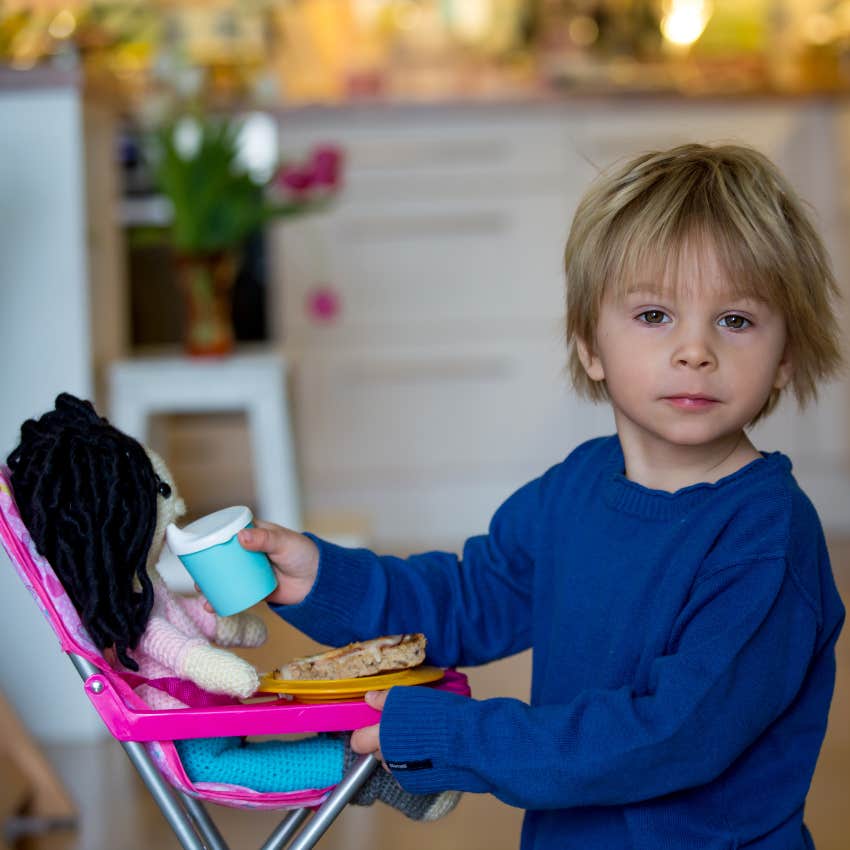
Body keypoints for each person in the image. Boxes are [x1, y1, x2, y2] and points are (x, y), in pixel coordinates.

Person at [238, 143, 846, 849]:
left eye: (735, 320)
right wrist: (328, 578)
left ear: (786, 357)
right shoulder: (574, 491)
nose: (695, 350)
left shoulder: (766, 538)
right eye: (654, 315)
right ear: (590, 343)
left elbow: (667, 736)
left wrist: (460, 737)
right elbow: (466, 602)